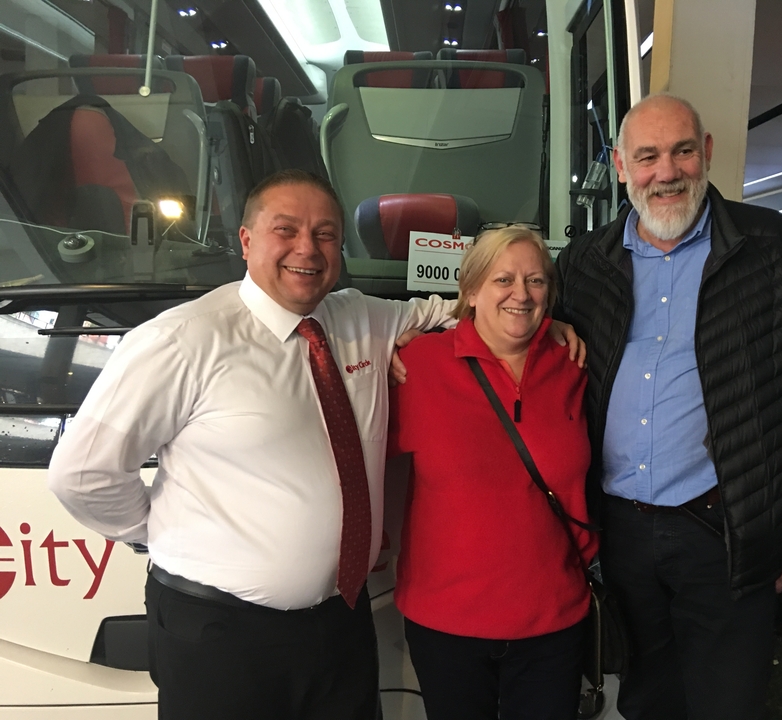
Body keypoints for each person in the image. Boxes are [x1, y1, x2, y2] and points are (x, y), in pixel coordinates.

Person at [46, 169, 577, 720]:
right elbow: (82, 475)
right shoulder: (182, 340)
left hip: (339, 622)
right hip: (222, 635)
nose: (308, 248)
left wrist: (546, 328)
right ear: (247, 240)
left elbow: (455, 310)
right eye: (287, 230)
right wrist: (157, 530)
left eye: (325, 234)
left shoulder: (358, 317)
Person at [553, 94, 782, 720]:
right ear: (622, 164)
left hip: (728, 525)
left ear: (706, 152)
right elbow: (528, 332)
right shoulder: (585, 262)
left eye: (683, 151)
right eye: (649, 156)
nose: (668, 172)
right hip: (622, 527)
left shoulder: (775, 249)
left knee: (727, 699)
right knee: (644, 695)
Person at [388, 226, 598, 720]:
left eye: (536, 281)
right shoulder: (415, 365)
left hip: (553, 619)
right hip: (447, 624)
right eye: (503, 279)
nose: (521, 294)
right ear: (472, 290)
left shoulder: (575, 362)